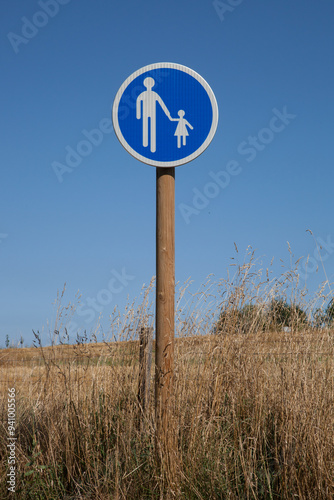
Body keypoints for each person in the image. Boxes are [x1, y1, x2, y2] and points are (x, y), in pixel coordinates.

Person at [136, 77, 172, 153]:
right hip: (145, 113)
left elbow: (162, 104)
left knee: (152, 128)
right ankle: (146, 144)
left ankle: (152, 146)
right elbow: (138, 102)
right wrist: (138, 114)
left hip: (152, 113)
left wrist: (167, 113)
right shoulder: (144, 94)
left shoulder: (153, 94)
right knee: (146, 127)